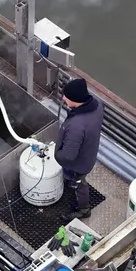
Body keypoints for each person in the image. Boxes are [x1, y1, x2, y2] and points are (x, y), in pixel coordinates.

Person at [54, 78, 105, 222]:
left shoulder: (76, 126)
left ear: (76, 100)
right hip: (89, 153)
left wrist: (57, 155)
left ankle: (83, 209)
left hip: (78, 165)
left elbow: (68, 156)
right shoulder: (97, 105)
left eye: (66, 96)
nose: (63, 98)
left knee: (78, 183)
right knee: (78, 179)